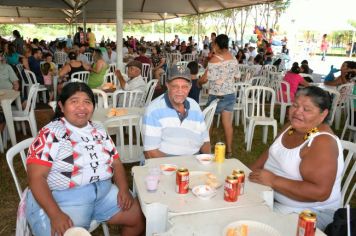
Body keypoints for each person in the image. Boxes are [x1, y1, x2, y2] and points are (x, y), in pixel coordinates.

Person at [25, 82, 145, 236]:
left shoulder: (99, 128)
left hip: (103, 192)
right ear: (61, 106)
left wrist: (123, 188)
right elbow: (36, 178)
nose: (81, 107)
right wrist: (55, 214)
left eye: (87, 102)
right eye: (74, 101)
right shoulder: (51, 133)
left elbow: (115, 161)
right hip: (63, 200)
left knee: (139, 218)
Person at [249, 86, 344, 230]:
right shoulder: (292, 127)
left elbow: (320, 192)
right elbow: (270, 154)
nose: (297, 112)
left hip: (310, 214)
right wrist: (245, 175)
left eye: (306, 109)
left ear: (323, 114)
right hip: (270, 197)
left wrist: (273, 181)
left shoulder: (322, 142)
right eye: (295, 105)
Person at [142, 65, 211, 158]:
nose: (180, 91)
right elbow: (151, 152)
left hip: (195, 159)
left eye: (184, 87)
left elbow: (205, 140)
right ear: (167, 85)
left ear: (190, 87)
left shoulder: (194, 105)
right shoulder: (154, 110)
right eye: (175, 86)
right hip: (166, 162)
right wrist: (178, 168)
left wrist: (207, 160)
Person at [199, 34, 240, 157]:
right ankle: (229, 151)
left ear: (216, 44)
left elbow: (205, 79)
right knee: (227, 123)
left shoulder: (214, 60)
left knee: (208, 121)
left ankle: (207, 148)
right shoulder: (233, 59)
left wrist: (198, 82)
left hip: (216, 96)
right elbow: (237, 76)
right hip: (230, 95)